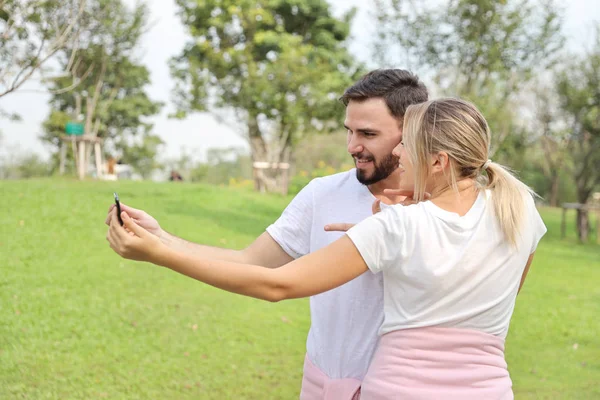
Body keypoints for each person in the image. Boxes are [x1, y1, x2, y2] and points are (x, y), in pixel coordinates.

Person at [107, 97, 547, 398]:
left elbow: (275, 285)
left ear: (438, 161)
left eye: (407, 147)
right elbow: (508, 288)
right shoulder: (521, 209)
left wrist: (159, 254)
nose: (400, 157)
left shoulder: (398, 227)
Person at [104, 69, 429, 399]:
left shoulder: (437, 211)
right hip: (320, 383)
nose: (352, 146)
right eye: (349, 131)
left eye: (368, 134)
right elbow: (253, 262)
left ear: (412, 135)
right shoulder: (323, 194)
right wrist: (160, 238)